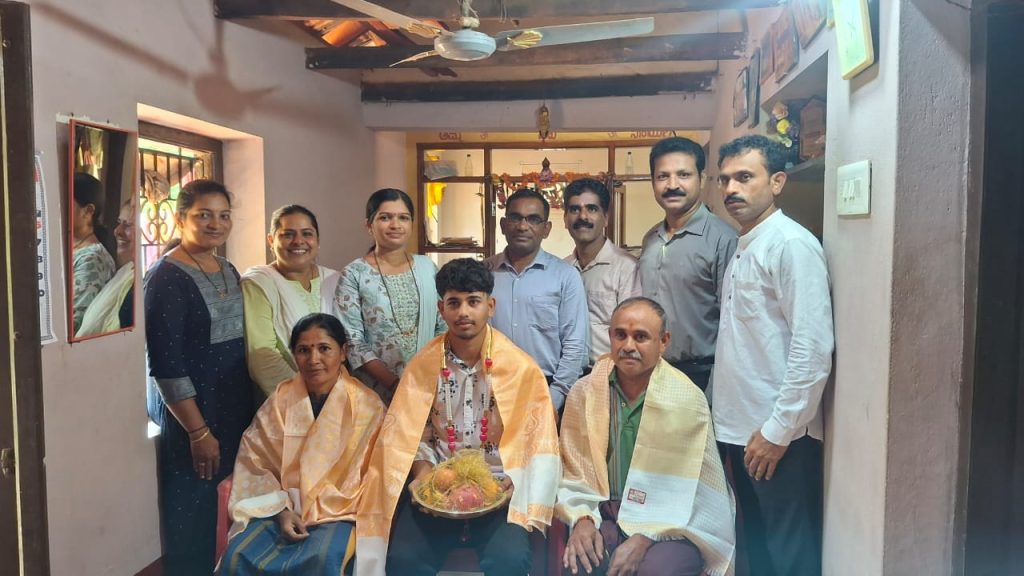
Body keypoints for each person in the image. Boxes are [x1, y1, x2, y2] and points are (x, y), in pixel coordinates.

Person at [356, 258, 560, 576]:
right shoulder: (422, 367)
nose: (463, 312)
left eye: (473, 301)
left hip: (500, 490)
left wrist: (514, 480)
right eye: (454, 303)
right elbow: (414, 435)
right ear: (442, 308)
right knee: (404, 561)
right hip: (437, 487)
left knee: (509, 561)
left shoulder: (521, 369)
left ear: (490, 306)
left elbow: (537, 441)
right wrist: (424, 475)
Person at [713, 135, 834, 576]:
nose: (731, 188)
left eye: (745, 177)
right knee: (758, 554)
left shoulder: (790, 244)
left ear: (777, 182)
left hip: (779, 438)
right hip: (742, 432)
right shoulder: (747, 243)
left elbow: (813, 347)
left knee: (789, 558)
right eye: (725, 179)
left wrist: (779, 431)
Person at [558, 297, 735, 576]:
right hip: (604, 511)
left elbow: (694, 491)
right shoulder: (585, 392)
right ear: (610, 336)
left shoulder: (687, 398)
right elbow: (573, 471)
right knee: (581, 560)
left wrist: (647, 536)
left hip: (671, 521)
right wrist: (582, 520)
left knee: (657, 571)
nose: (628, 346)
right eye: (620, 335)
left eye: (640, 337)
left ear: (663, 342)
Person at [144, 179, 254, 575]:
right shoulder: (165, 278)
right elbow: (166, 366)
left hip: (233, 406)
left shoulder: (227, 268)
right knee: (194, 514)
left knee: (230, 504)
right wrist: (198, 432)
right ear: (180, 219)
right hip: (194, 414)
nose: (216, 224)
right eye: (203, 215)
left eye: (224, 215)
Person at [220, 313, 384, 575]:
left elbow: (372, 475)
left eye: (324, 348)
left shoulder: (367, 405)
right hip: (279, 506)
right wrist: (282, 511)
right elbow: (255, 460)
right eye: (303, 350)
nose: (314, 359)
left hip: (339, 511)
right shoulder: (280, 400)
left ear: (343, 352)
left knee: (324, 556)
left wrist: (321, 505)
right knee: (237, 555)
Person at [639, 137, 737, 391]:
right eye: (663, 176)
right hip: (651, 371)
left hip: (702, 375)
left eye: (683, 175)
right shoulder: (650, 239)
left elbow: (733, 324)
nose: (672, 185)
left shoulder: (723, 239)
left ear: (701, 179)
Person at [335, 188, 446, 403]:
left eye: (403, 218)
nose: (395, 225)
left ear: (412, 224)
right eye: (385, 217)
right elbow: (352, 341)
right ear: (369, 225)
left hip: (427, 385)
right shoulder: (354, 274)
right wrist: (396, 385)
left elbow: (443, 327)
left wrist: (425, 378)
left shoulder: (428, 268)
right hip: (374, 392)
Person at [486, 188, 589, 412]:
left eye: (533, 219)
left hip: (546, 389)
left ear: (546, 229)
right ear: (503, 225)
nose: (523, 226)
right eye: (515, 218)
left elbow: (575, 345)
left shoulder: (565, 276)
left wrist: (554, 398)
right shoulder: (484, 273)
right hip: (490, 390)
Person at [242, 205, 341, 403]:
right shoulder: (259, 283)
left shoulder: (335, 280)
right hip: (284, 401)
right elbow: (262, 356)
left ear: (317, 240)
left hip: (338, 394)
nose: (298, 241)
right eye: (288, 234)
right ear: (271, 240)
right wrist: (309, 400)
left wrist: (337, 396)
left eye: (307, 233)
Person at [562, 178, 642, 368]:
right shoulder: (562, 269)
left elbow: (633, 330)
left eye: (592, 209)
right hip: (569, 372)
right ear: (565, 219)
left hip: (612, 373)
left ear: (606, 218)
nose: (583, 216)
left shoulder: (626, 268)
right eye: (574, 209)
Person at [75, 198, 135, 337]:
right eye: (119, 223)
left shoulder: (92, 258)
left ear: (88, 211)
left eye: (128, 225)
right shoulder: (125, 273)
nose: (117, 231)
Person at [71, 172, 116, 331]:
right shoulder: (72, 247)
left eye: (66, 203)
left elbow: (75, 324)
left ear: (88, 211)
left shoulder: (92, 259)